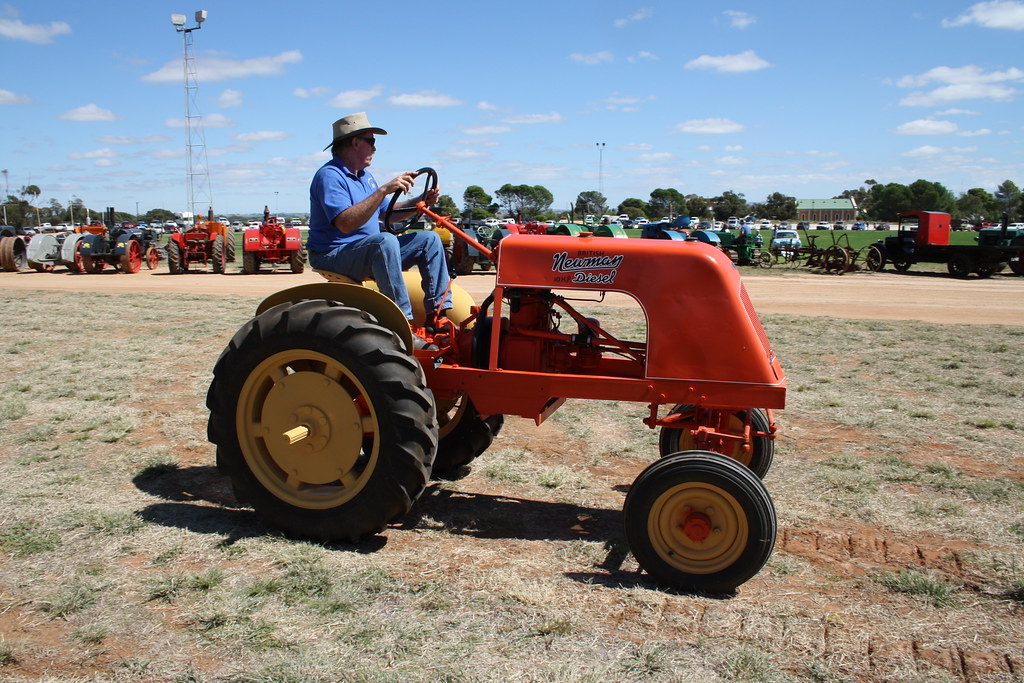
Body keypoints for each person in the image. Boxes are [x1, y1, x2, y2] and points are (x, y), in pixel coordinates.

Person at [306, 112, 451, 328]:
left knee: (429, 239)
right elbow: (345, 223)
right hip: (332, 254)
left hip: (367, 251)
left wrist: (422, 200)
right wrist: (384, 190)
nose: (375, 149)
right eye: (371, 142)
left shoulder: (366, 177)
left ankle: (438, 316)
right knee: (384, 241)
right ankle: (402, 322)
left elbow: (387, 213)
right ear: (355, 142)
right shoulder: (330, 176)